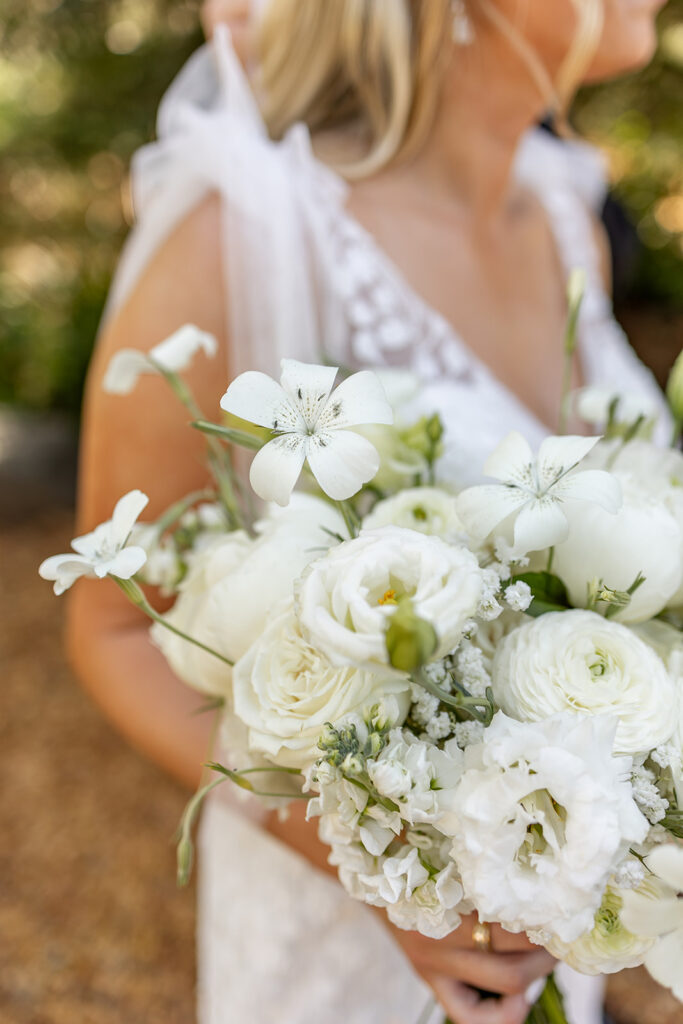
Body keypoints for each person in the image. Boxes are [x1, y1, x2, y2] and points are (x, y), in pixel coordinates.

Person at [68, 2, 669, 1022]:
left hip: (549, 917)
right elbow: (116, 622)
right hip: (351, 956)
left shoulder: (562, 214)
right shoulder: (244, 232)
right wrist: (392, 866)